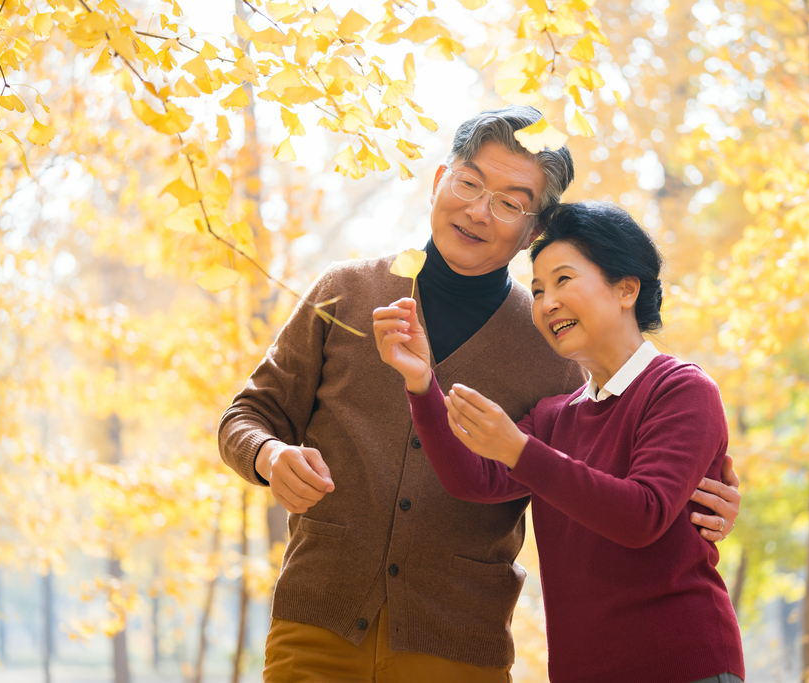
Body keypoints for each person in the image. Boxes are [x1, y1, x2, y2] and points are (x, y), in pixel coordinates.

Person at [218, 106, 741, 682]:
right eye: (469, 183)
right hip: (318, 620)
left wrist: (704, 495)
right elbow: (248, 414)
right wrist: (269, 456)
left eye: (511, 202)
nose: (479, 211)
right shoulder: (344, 291)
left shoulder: (555, 345)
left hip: (461, 640)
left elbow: (620, 475)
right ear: (441, 179)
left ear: (534, 230)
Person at [373, 201, 744, 683]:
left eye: (564, 281)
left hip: (684, 666)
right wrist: (422, 383)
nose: (546, 304)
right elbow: (472, 480)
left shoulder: (681, 389)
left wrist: (520, 451)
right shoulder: (554, 416)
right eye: (539, 289)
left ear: (626, 287)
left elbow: (642, 514)